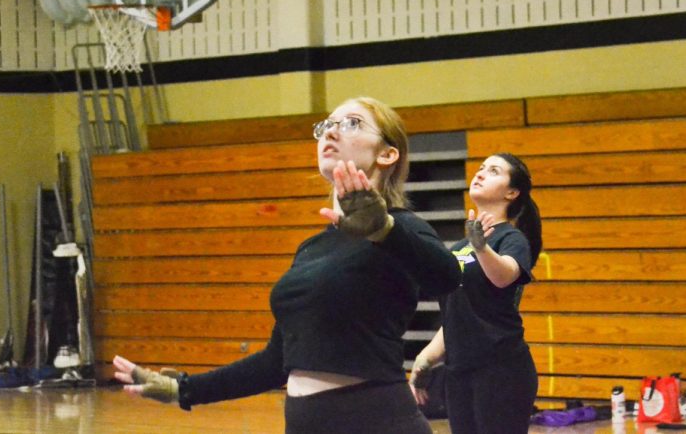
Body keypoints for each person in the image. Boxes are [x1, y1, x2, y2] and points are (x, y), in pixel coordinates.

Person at [114, 97, 461, 434]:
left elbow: (445, 277)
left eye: (351, 123)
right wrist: (183, 390)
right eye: (326, 125)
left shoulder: (402, 227)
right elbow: (275, 361)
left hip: (376, 420)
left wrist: (383, 229)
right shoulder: (311, 248)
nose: (331, 132)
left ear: (387, 154)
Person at [410, 152, 543, 434]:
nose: (480, 173)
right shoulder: (459, 247)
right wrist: (425, 359)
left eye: (493, 171)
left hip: (501, 370)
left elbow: (504, 276)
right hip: (459, 373)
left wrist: (482, 247)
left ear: (512, 192)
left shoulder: (511, 238)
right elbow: (458, 314)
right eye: (481, 168)